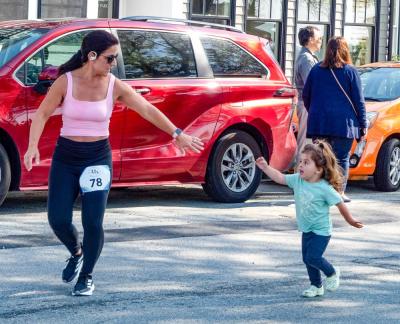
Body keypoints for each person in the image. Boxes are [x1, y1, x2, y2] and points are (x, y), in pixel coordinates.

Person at [23, 30, 204, 296]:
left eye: (115, 59)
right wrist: (32, 147)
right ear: (92, 56)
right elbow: (42, 114)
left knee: (93, 222)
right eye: (110, 59)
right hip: (67, 157)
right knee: (58, 219)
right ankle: (76, 252)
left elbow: (147, 109)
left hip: (97, 158)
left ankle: (87, 276)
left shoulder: (114, 85)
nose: (113, 64)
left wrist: (177, 134)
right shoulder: (66, 82)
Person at [256, 140, 363, 298]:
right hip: (306, 228)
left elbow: (340, 203)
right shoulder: (298, 180)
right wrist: (266, 167)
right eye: (300, 161)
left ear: (318, 169)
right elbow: (280, 178)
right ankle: (316, 286)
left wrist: (350, 220)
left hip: (321, 231)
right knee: (307, 259)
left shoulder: (324, 188)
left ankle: (332, 272)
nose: (300, 165)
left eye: (306, 163)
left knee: (313, 257)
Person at [302, 36, 368, 202]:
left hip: (319, 123)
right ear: (345, 50)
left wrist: (315, 112)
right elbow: (358, 100)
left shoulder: (316, 70)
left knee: (320, 159)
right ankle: (338, 192)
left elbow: (306, 95)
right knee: (341, 158)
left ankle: (318, 192)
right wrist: (363, 124)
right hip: (343, 124)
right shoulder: (350, 71)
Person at [294, 26, 322, 160]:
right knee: (304, 141)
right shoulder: (307, 59)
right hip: (306, 104)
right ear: (310, 39)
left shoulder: (308, 56)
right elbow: (311, 84)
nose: (321, 40)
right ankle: (299, 173)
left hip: (306, 103)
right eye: (319, 38)